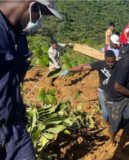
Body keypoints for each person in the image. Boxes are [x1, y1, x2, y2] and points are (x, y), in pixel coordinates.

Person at [0, 0, 63, 159]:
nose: (40, 21)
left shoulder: (19, 36)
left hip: (14, 126)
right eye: (42, 15)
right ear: (33, 6)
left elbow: (12, 80)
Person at [60, 50, 117, 123]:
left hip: (114, 91)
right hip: (102, 91)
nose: (111, 64)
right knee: (105, 113)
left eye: (112, 61)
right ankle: (106, 124)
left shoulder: (118, 65)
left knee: (115, 111)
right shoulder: (100, 64)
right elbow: (83, 67)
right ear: (105, 59)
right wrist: (68, 70)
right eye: (108, 62)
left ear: (115, 59)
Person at [105, 43, 129, 143]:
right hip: (114, 98)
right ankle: (112, 140)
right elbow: (117, 86)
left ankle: (122, 140)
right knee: (115, 125)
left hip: (124, 96)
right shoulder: (125, 64)